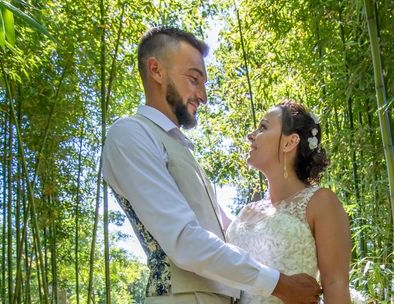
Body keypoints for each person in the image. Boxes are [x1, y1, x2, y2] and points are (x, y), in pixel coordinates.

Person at [101, 27, 322, 304]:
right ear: (156, 70)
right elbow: (183, 239)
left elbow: (224, 231)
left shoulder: (181, 148)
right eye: (194, 79)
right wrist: (279, 284)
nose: (203, 96)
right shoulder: (131, 134)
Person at [226, 100, 354, 304]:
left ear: (289, 142)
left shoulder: (321, 202)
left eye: (263, 127)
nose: (251, 135)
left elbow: (335, 285)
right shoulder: (246, 212)